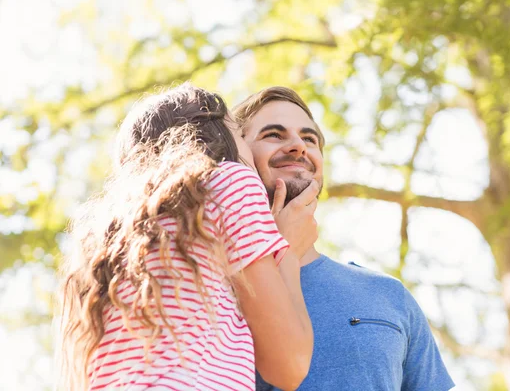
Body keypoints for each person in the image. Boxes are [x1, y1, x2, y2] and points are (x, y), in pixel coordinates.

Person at [57, 83, 316, 391]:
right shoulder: (229, 181)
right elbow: (290, 366)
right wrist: (289, 247)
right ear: (219, 137)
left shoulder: (98, 239)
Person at [233, 86, 455, 391]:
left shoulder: (389, 295)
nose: (298, 146)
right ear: (238, 157)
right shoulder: (210, 290)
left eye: (309, 139)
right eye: (274, 134)